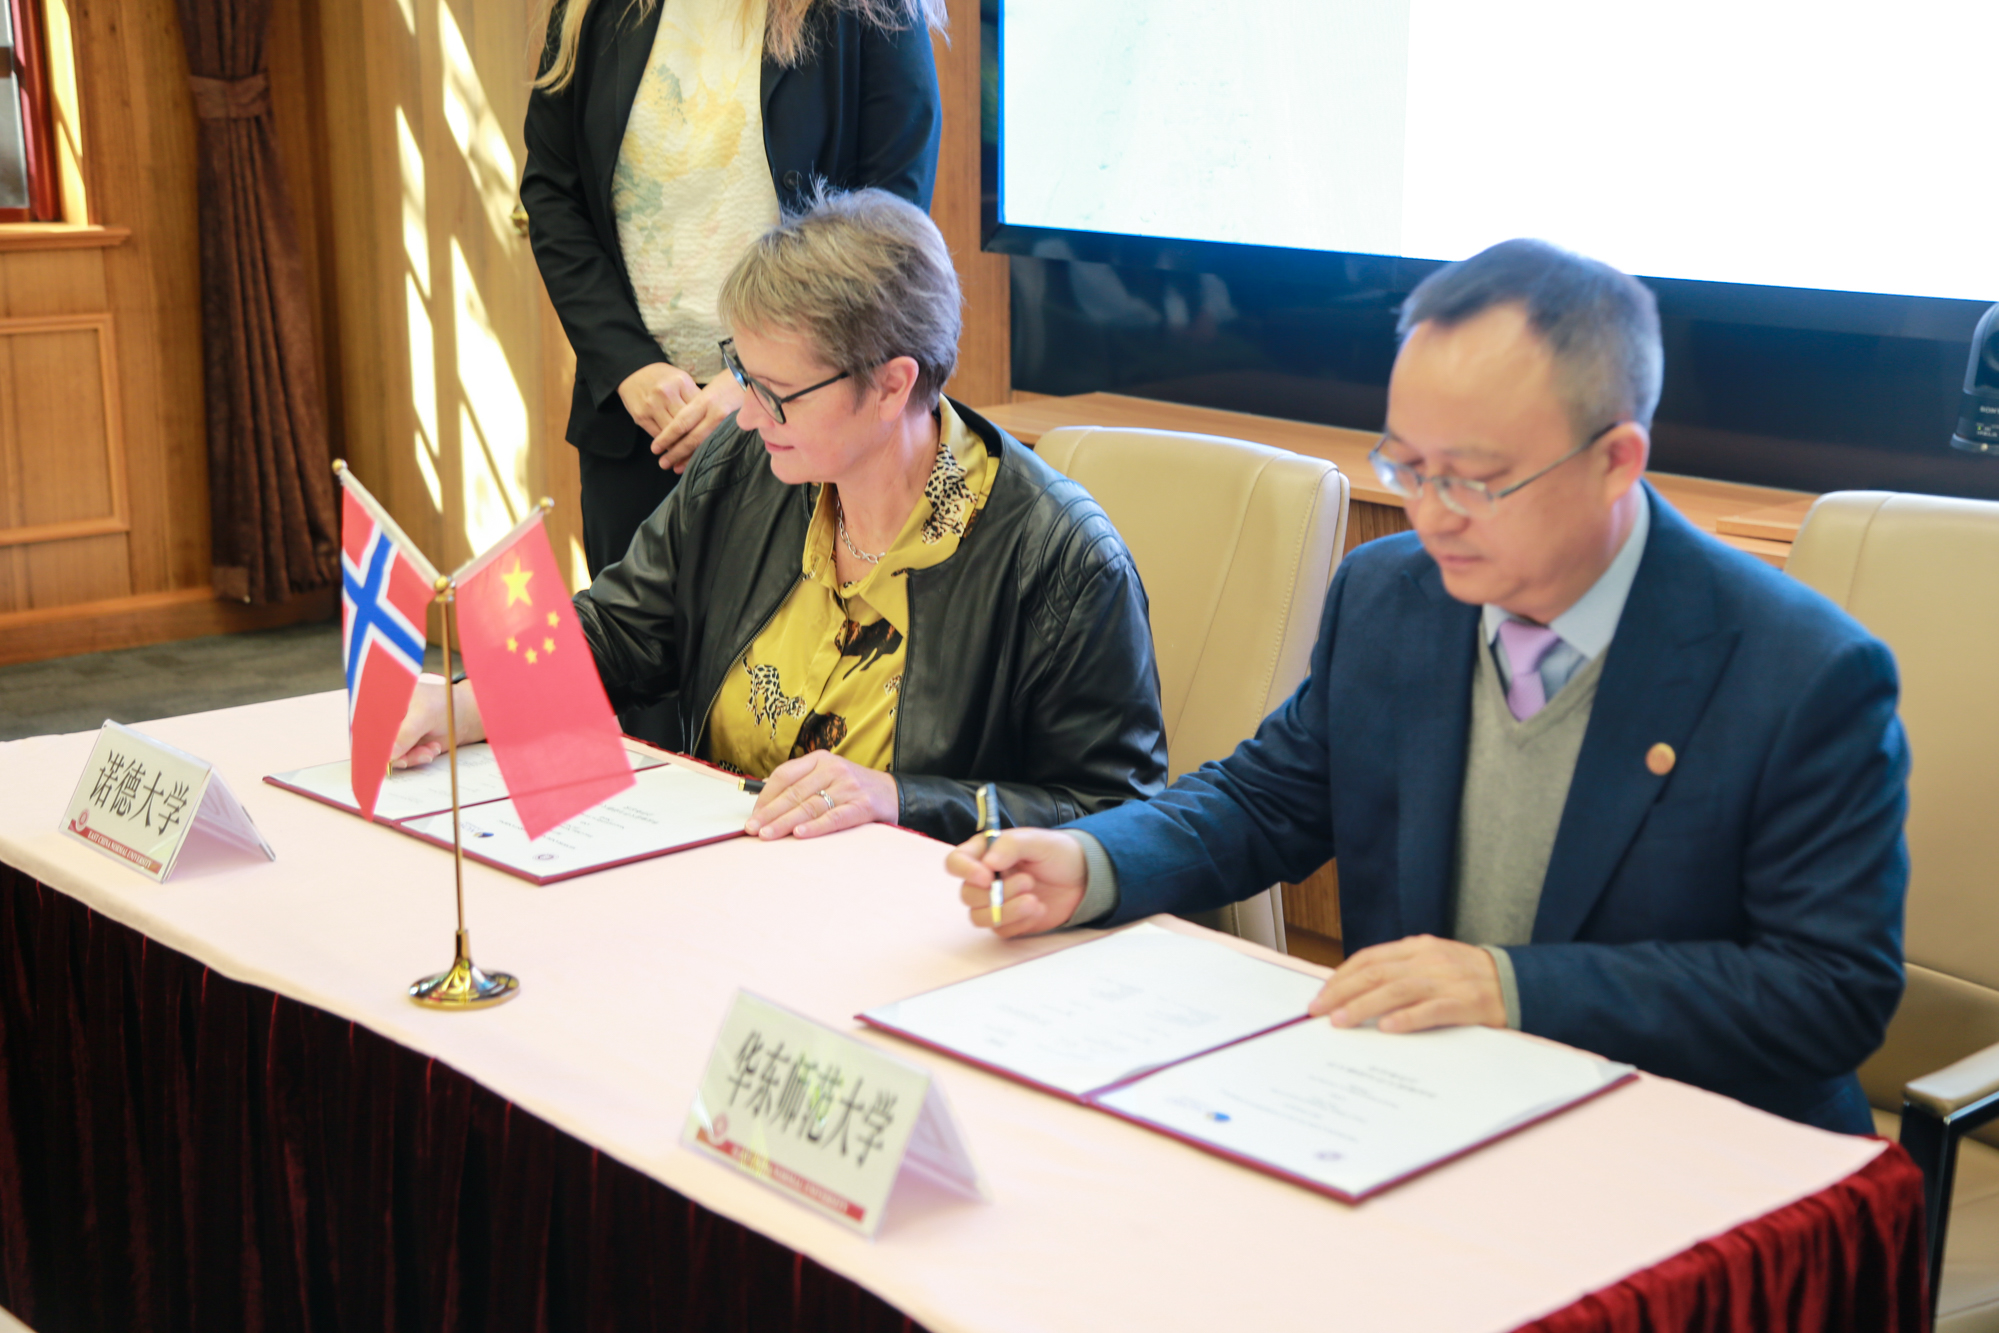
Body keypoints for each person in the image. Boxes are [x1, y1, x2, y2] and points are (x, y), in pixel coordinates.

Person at [948, 239, 1910, 1134]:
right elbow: (1264, 799)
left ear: (1615, 460)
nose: (1431, 514)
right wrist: (1094, 860)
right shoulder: (1390, 595)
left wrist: (1510, 988)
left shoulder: (1800, 672)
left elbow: (1826, 994)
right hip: (1429, 1106)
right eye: (1407, 466)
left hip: (1691, 1144)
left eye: (1474, 479)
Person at [393, 188, 1168, 844]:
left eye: (776, 392)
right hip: (722, 869)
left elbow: (1115, 812)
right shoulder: (746, 467)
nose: (745, 412)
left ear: (892, 385)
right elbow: (620, 630)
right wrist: (466, 701)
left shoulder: (1059, 560)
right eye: (742, 374)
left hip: (916, 917)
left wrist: (898, 799)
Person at [522, 0, 945, 578]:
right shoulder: (589, 11)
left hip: (807, 416)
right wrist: (627, 365)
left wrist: (753, 379)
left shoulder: (870, 10)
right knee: (634, 634)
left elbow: (887, 218)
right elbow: (553, 194)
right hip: (641, 426)